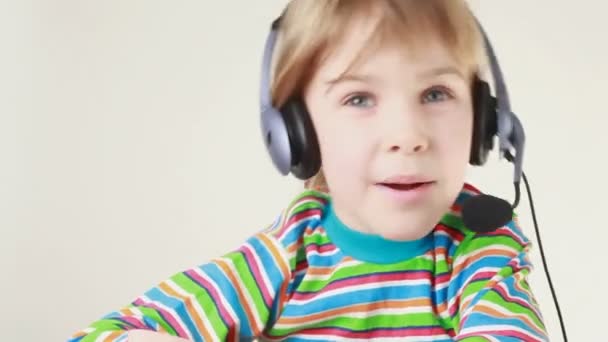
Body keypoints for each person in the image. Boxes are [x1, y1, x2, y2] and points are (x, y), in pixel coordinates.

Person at [69, 0, 548, 341]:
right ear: (297, 133)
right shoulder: (287, 252)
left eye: (436, 94)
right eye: (359, 98)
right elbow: (107, 334)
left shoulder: (480, 247)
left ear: (485, 120)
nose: (408, 134)